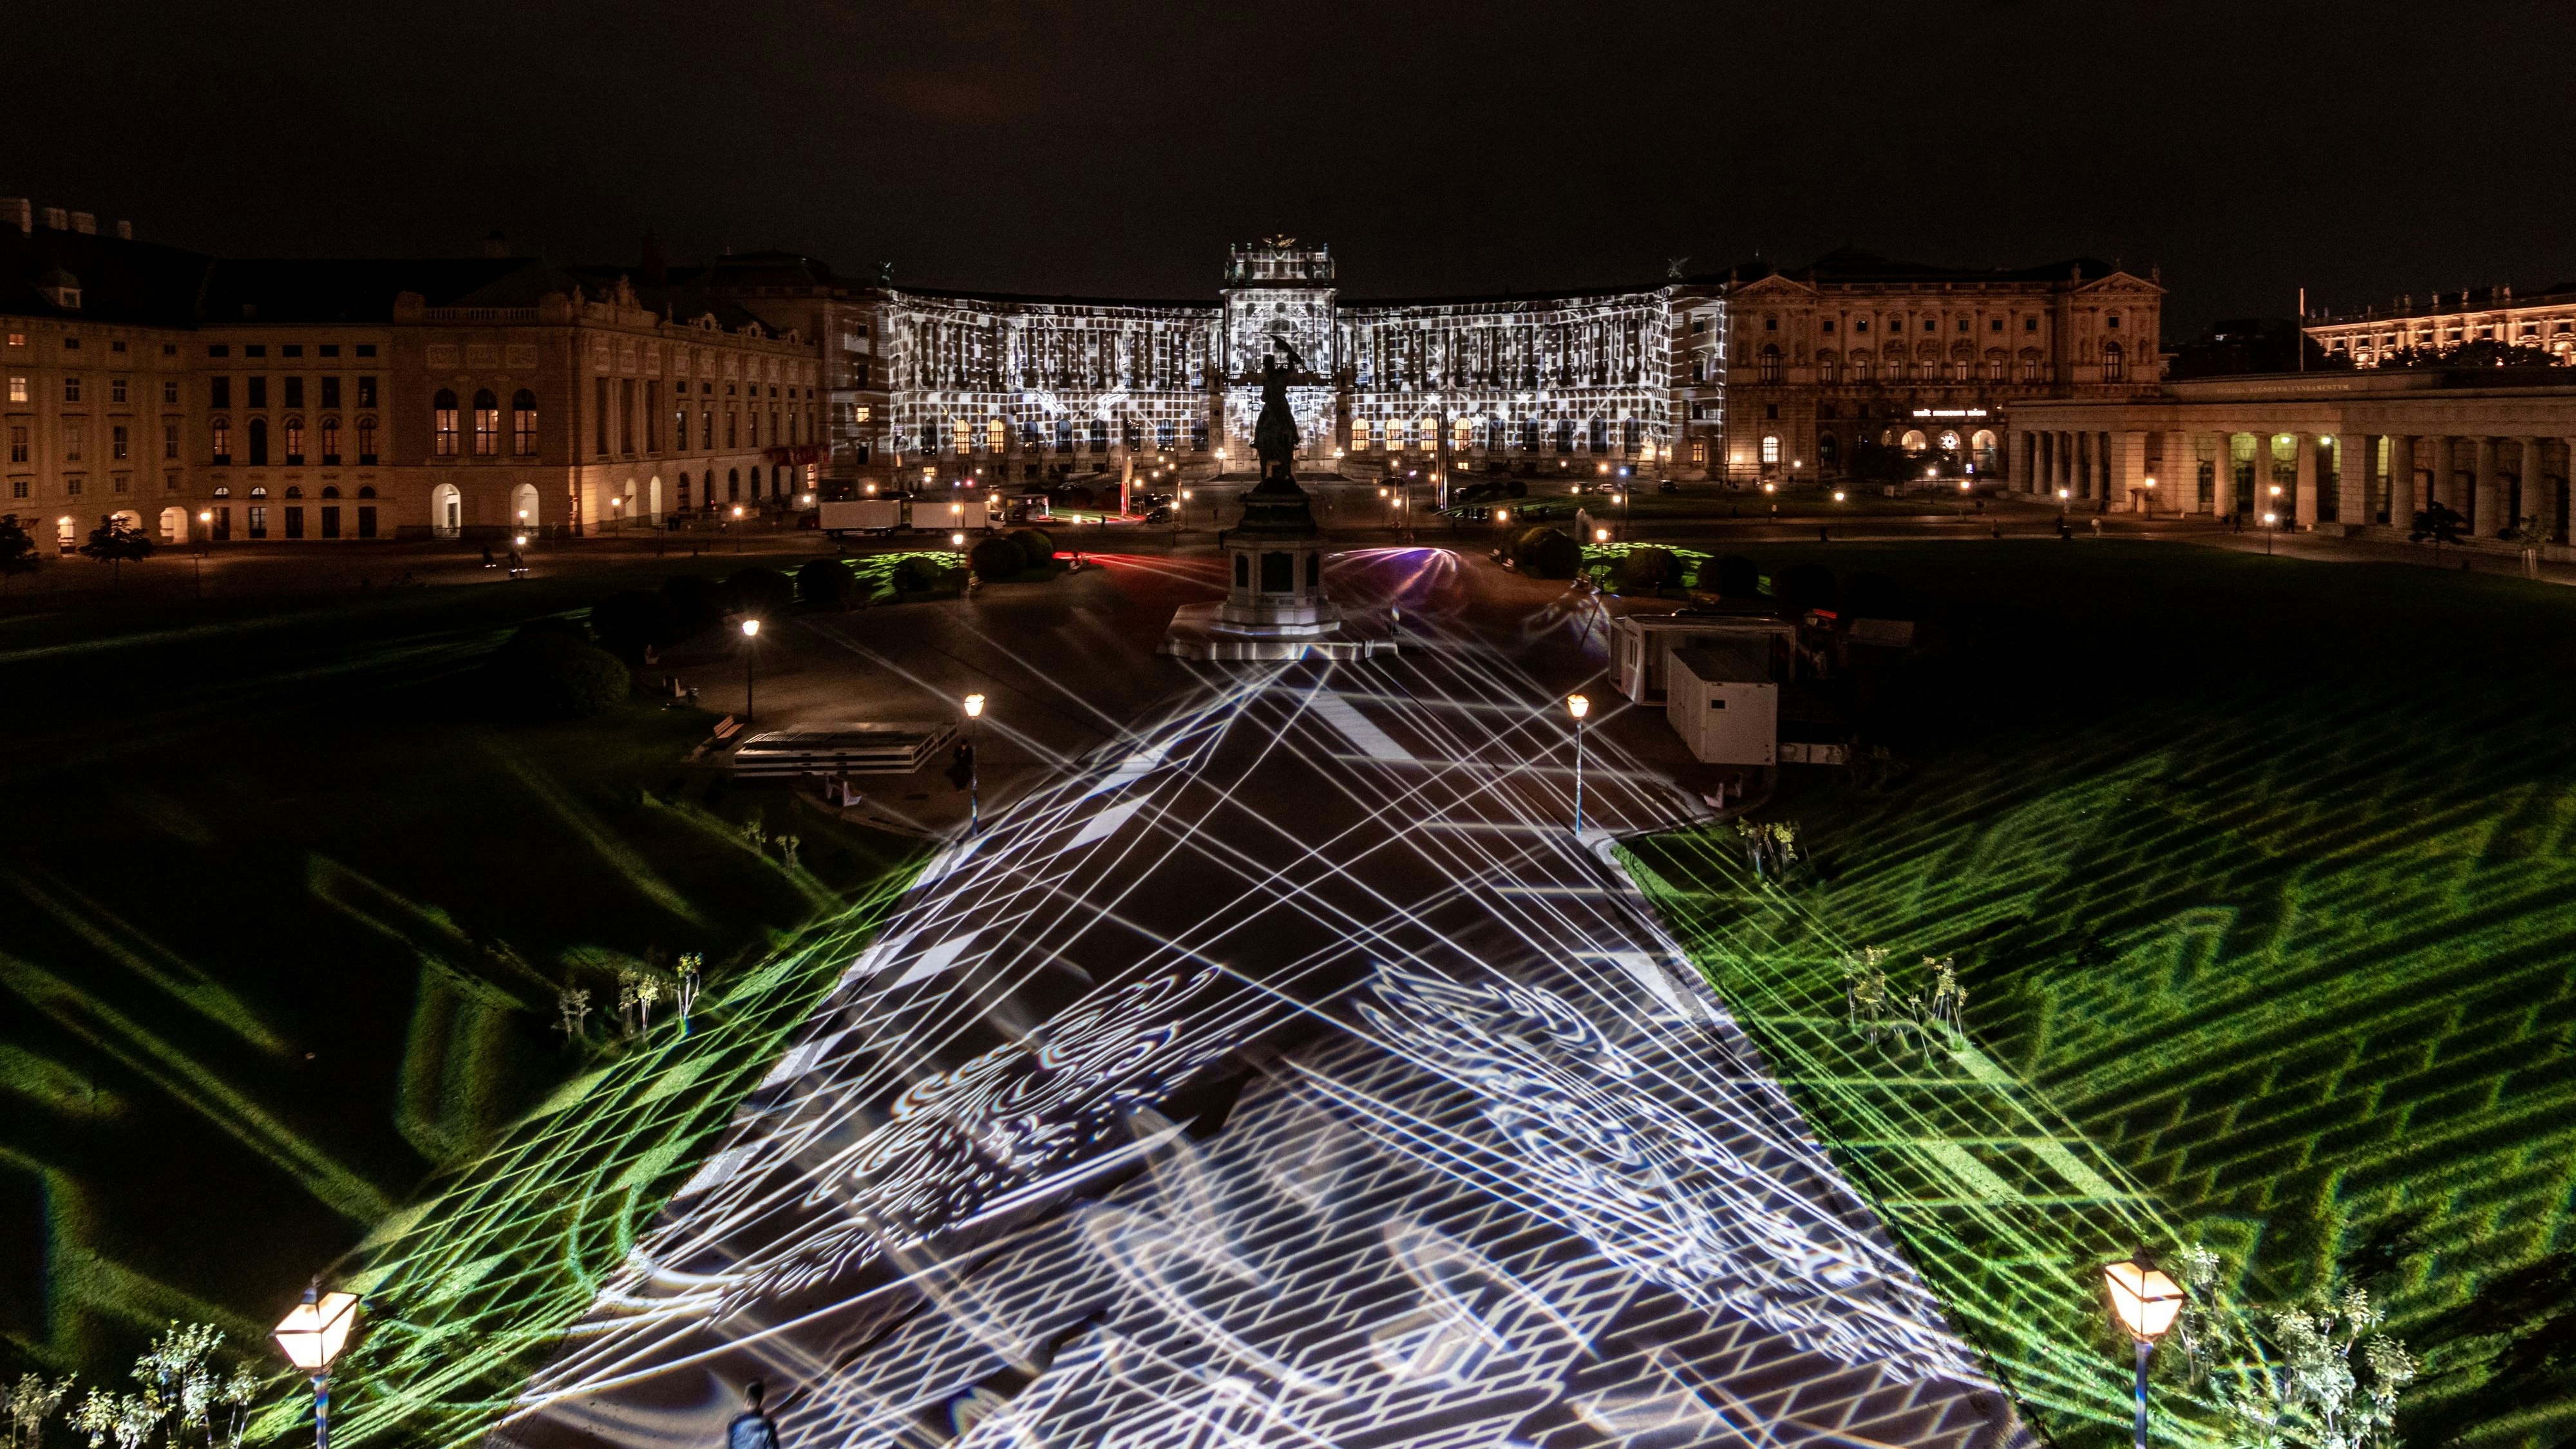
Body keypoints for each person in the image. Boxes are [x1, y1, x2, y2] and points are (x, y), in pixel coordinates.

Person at [727, 1381, 781, 1449]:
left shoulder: (735, 1422)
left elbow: (729, 1446)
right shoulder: (768, 1424)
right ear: (760, 1401)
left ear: (747, 1401)